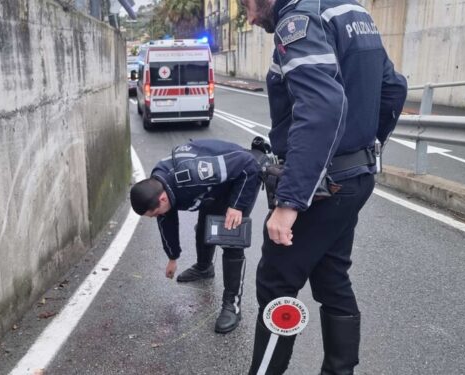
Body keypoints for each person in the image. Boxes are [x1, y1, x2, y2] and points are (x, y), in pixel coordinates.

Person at [239, 0, 408, 373]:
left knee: (276, 284)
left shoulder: (298, 20)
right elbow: (394, 89)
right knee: (332, 276)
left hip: (322, 186)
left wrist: (289, 203)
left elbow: (321, 108)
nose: (249, 17)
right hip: (355, 178)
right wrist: (361, 149)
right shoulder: (353, 13)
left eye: (246, 3)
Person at [130, 139, 262, 333]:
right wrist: (172, 257)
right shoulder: (158, 184)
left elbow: (248, 165)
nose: (155, 217)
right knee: (204, 227)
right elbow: (166, 221)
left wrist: (237, 206)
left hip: (240, 178)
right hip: (212, 189)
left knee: (230, 239)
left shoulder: (194, 173)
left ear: (162, 199)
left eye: (154, 213)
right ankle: (204, 268)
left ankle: (232, 305)